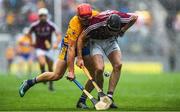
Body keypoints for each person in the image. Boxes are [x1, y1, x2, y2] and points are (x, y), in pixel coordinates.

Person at [19, 4, 99, 109]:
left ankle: (82, 101)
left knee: (95, 74)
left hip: (84, 45)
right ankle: (29, 82)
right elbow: (71, 48)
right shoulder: (74, 23)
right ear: (78, 16)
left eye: (87, 18)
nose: (86, 21)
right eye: (82, 19)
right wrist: (71, 71)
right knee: (56, 75)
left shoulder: (96, 16)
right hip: (68, 46)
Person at [76, 10, 138, 108]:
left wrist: (123, 30)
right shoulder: (95, 23)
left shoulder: (121, 17)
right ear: (106, 24)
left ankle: (109, 97)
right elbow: (80, 38)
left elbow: (135, 17)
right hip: (96, 43)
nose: (113, 32)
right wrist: (79, 57)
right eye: (111, 30)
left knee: (118, 65)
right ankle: (101, 97)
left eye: (115, 31)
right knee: (99, 69)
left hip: (110, 41)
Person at [24, 8, 61, 91]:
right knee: (42, 63)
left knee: (51, 69)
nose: (43, 17)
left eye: (44, 16)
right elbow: (28, 33)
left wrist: (56, 43)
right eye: (41, 16)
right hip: (39, 48)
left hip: (49, 49)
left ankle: (51, 85)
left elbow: (58, 35)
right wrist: (31, 41)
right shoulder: (34, 25)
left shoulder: (51, 25)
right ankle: (42, 74)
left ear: (47, 16)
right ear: (39, 16)